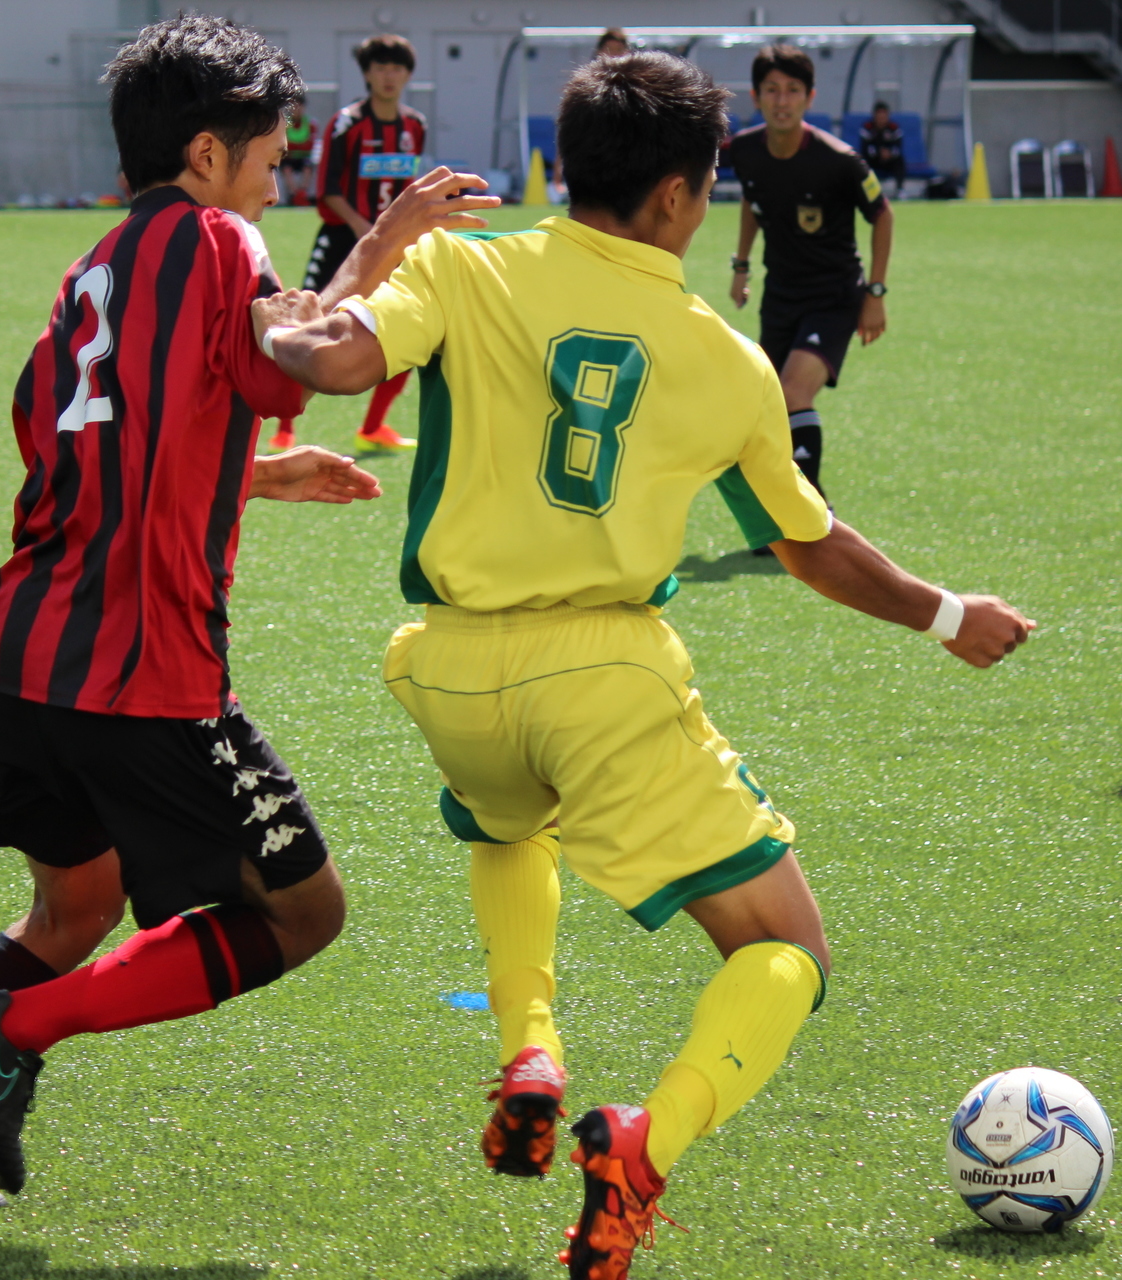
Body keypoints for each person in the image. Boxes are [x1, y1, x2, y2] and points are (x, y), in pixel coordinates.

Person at [256, 50, 1033, 1280]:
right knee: (786, 950)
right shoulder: (722, 358)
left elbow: (322, 359)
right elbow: (812, 548)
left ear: (571, 164)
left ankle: (530, 1048)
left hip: (449, 674)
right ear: (680, 194)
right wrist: (947, 616)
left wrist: (362, 258)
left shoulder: (464, 263)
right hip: (602, 679)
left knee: (509, 824)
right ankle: (642, 1141)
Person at [0, 16, 496, 1222]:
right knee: (304, 910)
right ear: (202, 156)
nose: (280, 184)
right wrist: (385, 245)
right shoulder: (213, 237)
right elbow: (295, 350)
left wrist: (246, 472)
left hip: (26, 655)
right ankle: (10, 1027)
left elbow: (77, 448)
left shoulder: (89, 269)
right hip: (144, 675)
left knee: (71, 907)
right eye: (271, 160)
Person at [726, 43, 892, 522]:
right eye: (772, 90)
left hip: (835, 296)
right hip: (780, 296)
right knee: (765, 408)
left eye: (793, 91)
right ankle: (782, 513)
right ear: (757, 97)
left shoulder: (840, 160)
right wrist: (741, 266)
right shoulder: (746, 151)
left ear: (809, 97)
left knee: (794, 392)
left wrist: (875, 294)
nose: (782, 100)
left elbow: (883, 216)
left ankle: (811, 513)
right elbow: (753, 204)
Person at [265, 33, 425, 456]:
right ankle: (284, 428)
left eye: (396, 68)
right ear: (367, 74)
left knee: (407, 326)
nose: (388, 76)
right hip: (342, 239)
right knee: (308, 325)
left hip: (392, 244)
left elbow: (409, 189)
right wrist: (363, 228)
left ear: (408, 75)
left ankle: (373, 427)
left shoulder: (415, 126)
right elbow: (328, 188)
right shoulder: (346, 124)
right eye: (380, 68)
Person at [858, 100, 906, 196]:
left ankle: (900, 190)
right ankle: (866, 191)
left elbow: (898, 147)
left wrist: (889, 153)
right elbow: (866, 148)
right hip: (874, 159)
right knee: (862, 162)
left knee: (900, 160)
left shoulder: (894, 128)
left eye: (884, 117)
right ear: (874, 116)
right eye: (879, 117)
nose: (881, 119)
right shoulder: (867, 128)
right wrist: (879, 153)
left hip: (889, 160)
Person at [281, 92, 315, 204]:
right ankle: (294, 195)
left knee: (307, 167)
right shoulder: (284, 123)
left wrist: (295, 146)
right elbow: (284, 144)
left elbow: (309, 145)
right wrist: (299, 146)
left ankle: (303, 193)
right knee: (286, 168)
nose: (296, 109)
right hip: (288, 158)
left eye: (299, 106)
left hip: (303, 158)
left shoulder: (310, 124)